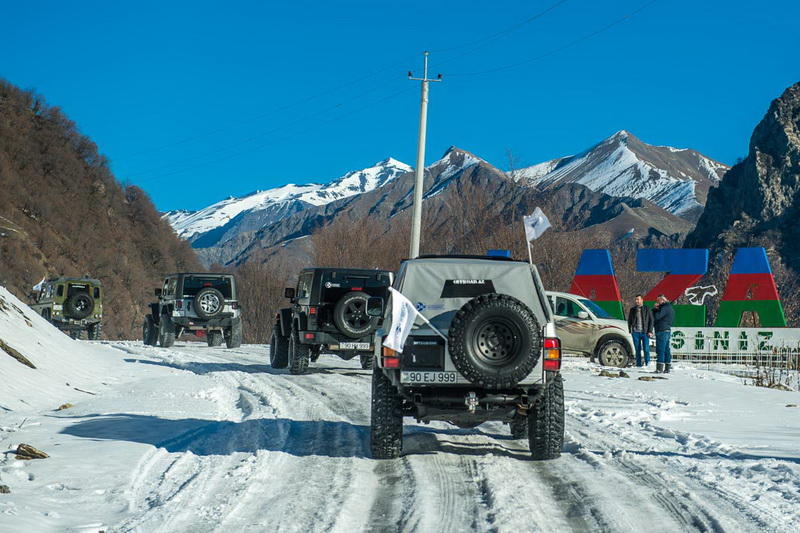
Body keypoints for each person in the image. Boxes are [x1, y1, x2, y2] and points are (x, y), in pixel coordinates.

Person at [627, 294, 654, 367]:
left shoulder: (647, 309)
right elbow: (629, 320)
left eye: (638, 299)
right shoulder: (632, 310)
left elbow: (651, 320)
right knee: (637, 349)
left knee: (646, 349)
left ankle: (647, 363)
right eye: (636, 300)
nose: (637, 301)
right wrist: (630, 330)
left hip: (644, 333)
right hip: (635, 332)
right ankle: (638, 364)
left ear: (642, 300)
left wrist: (650, 331)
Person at [652, 294, 675, 373]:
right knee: (666, 349)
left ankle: (659, 368)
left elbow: (657, 317)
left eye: (658, 300)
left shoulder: (664, 307)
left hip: (661, 330)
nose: (657, 302)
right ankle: (667, 367)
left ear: (662, 300)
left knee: (660, 349)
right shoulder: (670, 307)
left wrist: (655, 309)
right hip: (667, 329)